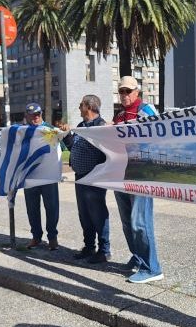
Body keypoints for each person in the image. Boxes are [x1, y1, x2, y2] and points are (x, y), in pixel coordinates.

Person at [112, 76, 163, 283]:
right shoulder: (120, 115)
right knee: (127, 221)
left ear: (137, 92)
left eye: (128, 91)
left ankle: (152, 268)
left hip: (141, 174)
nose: (124, 95)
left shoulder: (146, 111)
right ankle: (138, 257)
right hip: (120, 174)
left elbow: (159, 135)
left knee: (139, 221)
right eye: (121, 91)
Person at [61, 95, 110, 263]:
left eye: (81, 104)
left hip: (94, 178)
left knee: (98, 214)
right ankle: (89, 247)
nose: (79, 107)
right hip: (80, 177)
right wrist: (67, 136)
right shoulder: (82, 126)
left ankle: (104, 250)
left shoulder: (101, 127)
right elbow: (73, 147)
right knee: (84, 214)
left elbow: (108, 153)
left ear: (88, 106)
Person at [23, 102, 60, 250]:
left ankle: (52, 237)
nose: (35, 118)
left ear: (41, 114)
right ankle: (36, 236)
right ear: (26, 116)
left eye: (38, 115)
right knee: (32, 208)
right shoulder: (23, 132)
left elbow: (60, 147)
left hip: (48, 175)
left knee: (51, 207)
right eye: (32, 115)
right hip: (30, 176)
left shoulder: (49, 130)